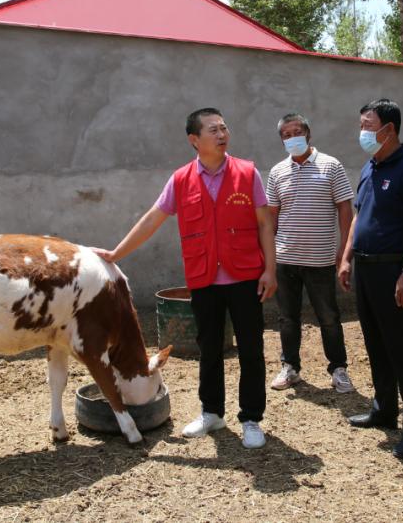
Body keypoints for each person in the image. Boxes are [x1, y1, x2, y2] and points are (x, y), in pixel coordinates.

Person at [93, 108, 277, 450]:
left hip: (245, 275)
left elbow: (265, 223)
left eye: (224, 127)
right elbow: (153, 218)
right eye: (213, 129)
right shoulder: (180, 180)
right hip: (204, 278)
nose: (222, 134)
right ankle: (212, 413)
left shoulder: (247, 173)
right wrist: (117, 253)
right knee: (208, 348)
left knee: (251, 349)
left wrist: (270, 269)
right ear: (195, 140)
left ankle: (251, 417)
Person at [338, 98, 403, 459]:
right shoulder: (370, 167)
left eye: (368, 125)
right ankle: (384, 409)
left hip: (395, 270)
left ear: (388, 129)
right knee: (376, 343)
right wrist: (346, 259)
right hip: (366, 269)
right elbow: (360, 218)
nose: (362, 132)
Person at [266, 113, 356, 393]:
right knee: (287, 317)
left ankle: (338, 368)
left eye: (297, 131)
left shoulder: (331, 166)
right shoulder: (277, 172)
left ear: (308, 133)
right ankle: (290, 367)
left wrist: (343, 252)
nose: (292, 137)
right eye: (286, 134)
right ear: (281, 139)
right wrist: (268, 256)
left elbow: (345, 208)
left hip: (320, 259)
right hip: (285, 259)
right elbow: (271, 217)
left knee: (328, 316)